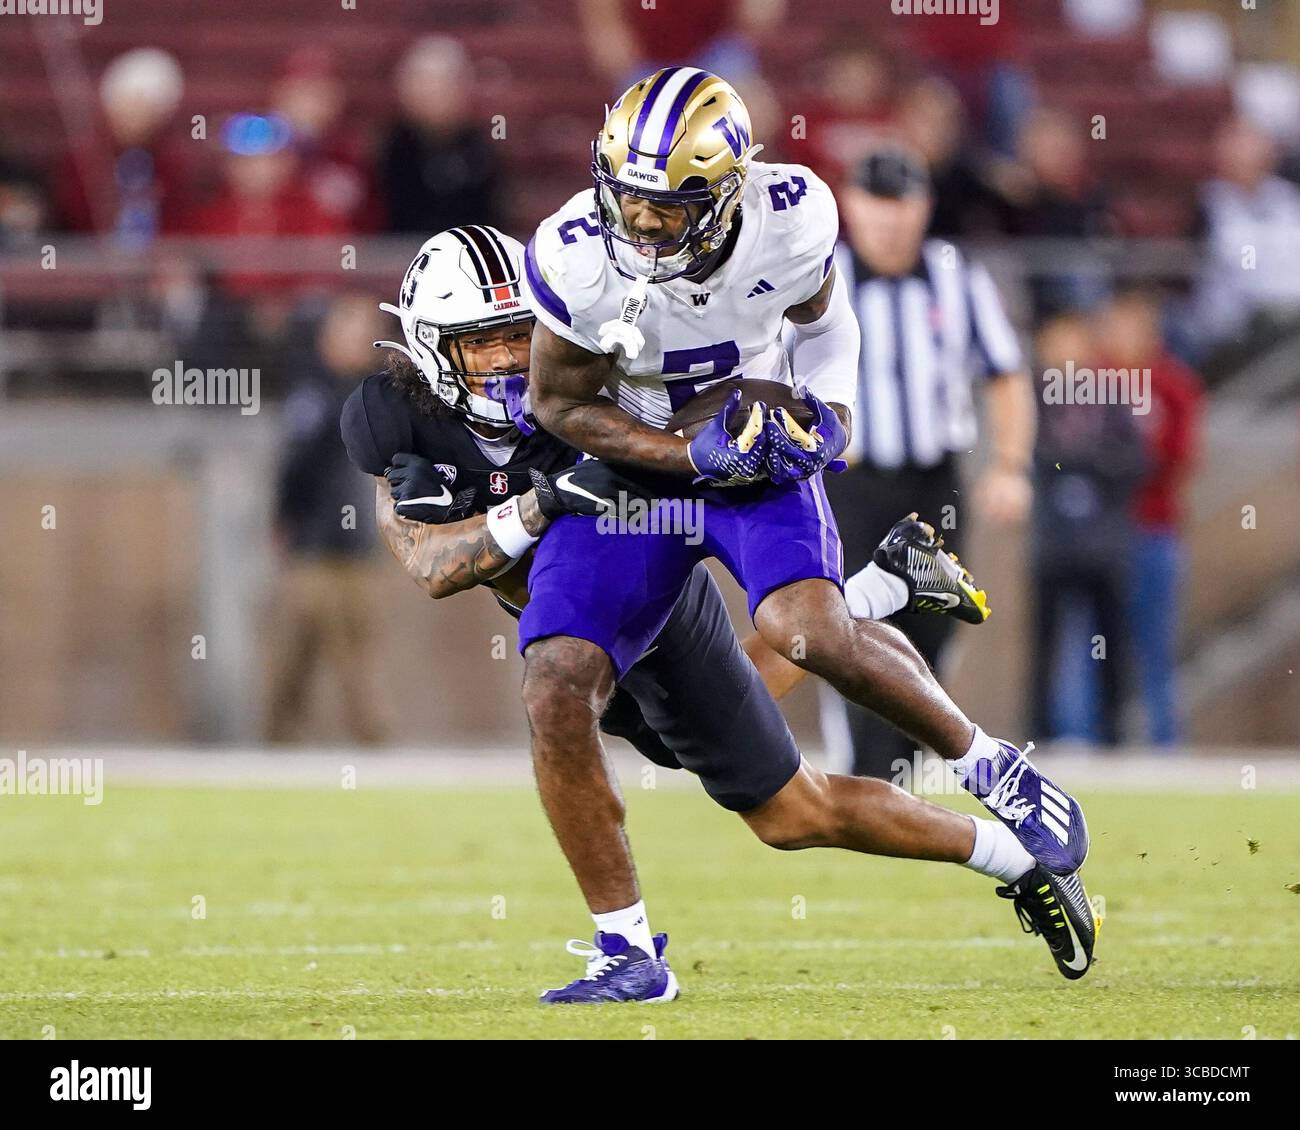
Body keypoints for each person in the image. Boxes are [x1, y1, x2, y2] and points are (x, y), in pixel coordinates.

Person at [339, 226, 1099, 1003]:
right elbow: (431, 566)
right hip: (566, 605)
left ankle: (633, 953)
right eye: (482, 342)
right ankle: (889, 600)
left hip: (638, 561)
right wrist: (533, 506)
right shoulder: (396, 416)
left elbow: (673, 417)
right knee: (744, 778)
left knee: (774, 790)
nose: (507, 358)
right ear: (428, 347)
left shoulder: (584, 372)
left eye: (518, 333)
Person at [518, 69, 1095, 1000]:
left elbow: (828, 334)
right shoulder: (576, 256)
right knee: (554, 684)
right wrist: (683, 452)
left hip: (754, 447)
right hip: (643, 472)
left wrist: (830, 420)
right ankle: (627, 952)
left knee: (810, 633)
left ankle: (993, 766)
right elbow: (559, 404)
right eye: (625, 199)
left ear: (726, 192)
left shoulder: (790, 219)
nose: (639, 226)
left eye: (666, 210)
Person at [822, 146, 1036, 780]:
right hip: (849, 485)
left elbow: (1004, 375)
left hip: (934, 483)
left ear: (923, 207)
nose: (889, 220)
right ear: (851, 205)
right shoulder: (819, 280)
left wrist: (1011, 465)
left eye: (902, 204)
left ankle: (896, 772)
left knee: (934, 632)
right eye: (876, 203)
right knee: (857, 630)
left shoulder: (957, 277)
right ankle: (868, 776)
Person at [266, 293, 391, 745]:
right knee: (293, 663)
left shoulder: (373, 395)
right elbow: (293, 467)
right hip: (315, 551)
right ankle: (275, 746)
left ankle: (372, 748)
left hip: (357, 551)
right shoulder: (318, 395)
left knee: (356, 662)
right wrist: (284, 520)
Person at [1029, 312, 1148, 746]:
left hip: (1105, 543)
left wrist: (1084, 467)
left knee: (1112, 641)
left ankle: (1114, 734)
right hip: (1053, 543)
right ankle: (1039, 733)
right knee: (1047, 643)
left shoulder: (1111, 397)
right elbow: (1034, 459)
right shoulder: (1034, 398)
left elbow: (1136, 461)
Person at [1093, 287, 1203, 745]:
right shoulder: (1090, 379)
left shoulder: (1172, 383)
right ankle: (1083, 742)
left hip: (1151, 529)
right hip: (1096, 534)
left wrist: (1124, 465)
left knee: (1154, 645)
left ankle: (1163, 742)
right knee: (1092, 647)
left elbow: (1179, 456)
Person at [380, 37, 503, 235]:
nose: (430, 93)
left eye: (439, 84)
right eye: (421, 82)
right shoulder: (388, 151)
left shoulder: (480, 153)